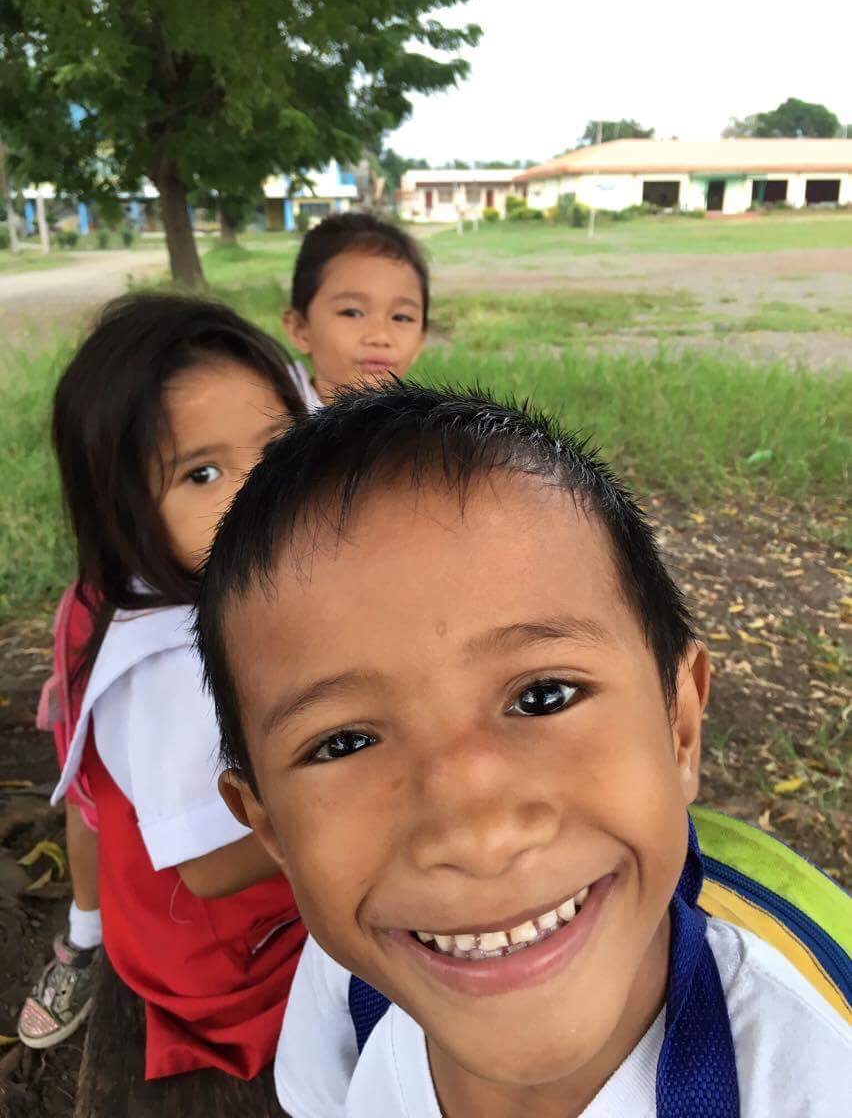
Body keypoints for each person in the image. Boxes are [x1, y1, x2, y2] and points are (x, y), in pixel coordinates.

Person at [196, 384, 850, 1118]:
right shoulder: (345, 985)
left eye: (543, 697)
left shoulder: (812, 1083)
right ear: (272, 830)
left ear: (680, 729)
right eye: (345, 742)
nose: (478, 836)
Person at [18, 292, 309, 1081]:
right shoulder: (174, 670)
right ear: (128, 515)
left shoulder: (229, 579)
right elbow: (209, 869)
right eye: (202, 473)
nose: (260, 492)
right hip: (227, 957)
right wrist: (361, 803)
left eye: (279, 446)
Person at [282, 211, 428, 408]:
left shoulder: (423, 423)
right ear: (300, 330)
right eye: (352, 313)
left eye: (401, 317)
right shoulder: (264, 413)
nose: (380, 337)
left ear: (420, 341)